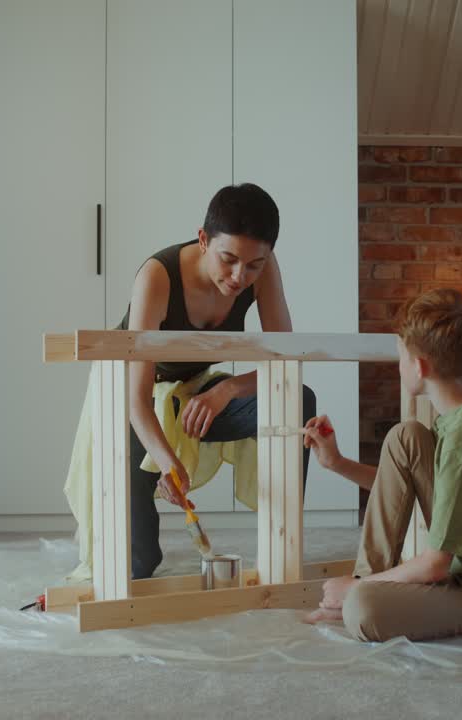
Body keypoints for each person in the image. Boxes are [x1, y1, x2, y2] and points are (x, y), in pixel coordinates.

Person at [301, 289, 462, 642]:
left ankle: (354, 594)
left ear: (419, 366)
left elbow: (436, 565)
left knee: (364, 608)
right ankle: (359, 584)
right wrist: (337, 463)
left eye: (400, 356)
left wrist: (353, 592)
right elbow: (411, 488)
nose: (398, 365)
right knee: (406, 436)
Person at [117, 183, 316, 579]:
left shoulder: (262, 269)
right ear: (203, 239)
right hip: (137, 403)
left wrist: (227, 390)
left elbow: (284, 362)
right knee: (139, 564)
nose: (241, 276)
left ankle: (283, 545)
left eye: (255, 264)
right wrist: (166, 462)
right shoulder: (156, 277)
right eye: (228, 259)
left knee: (298, 399)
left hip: (196, 391)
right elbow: (136, 398)